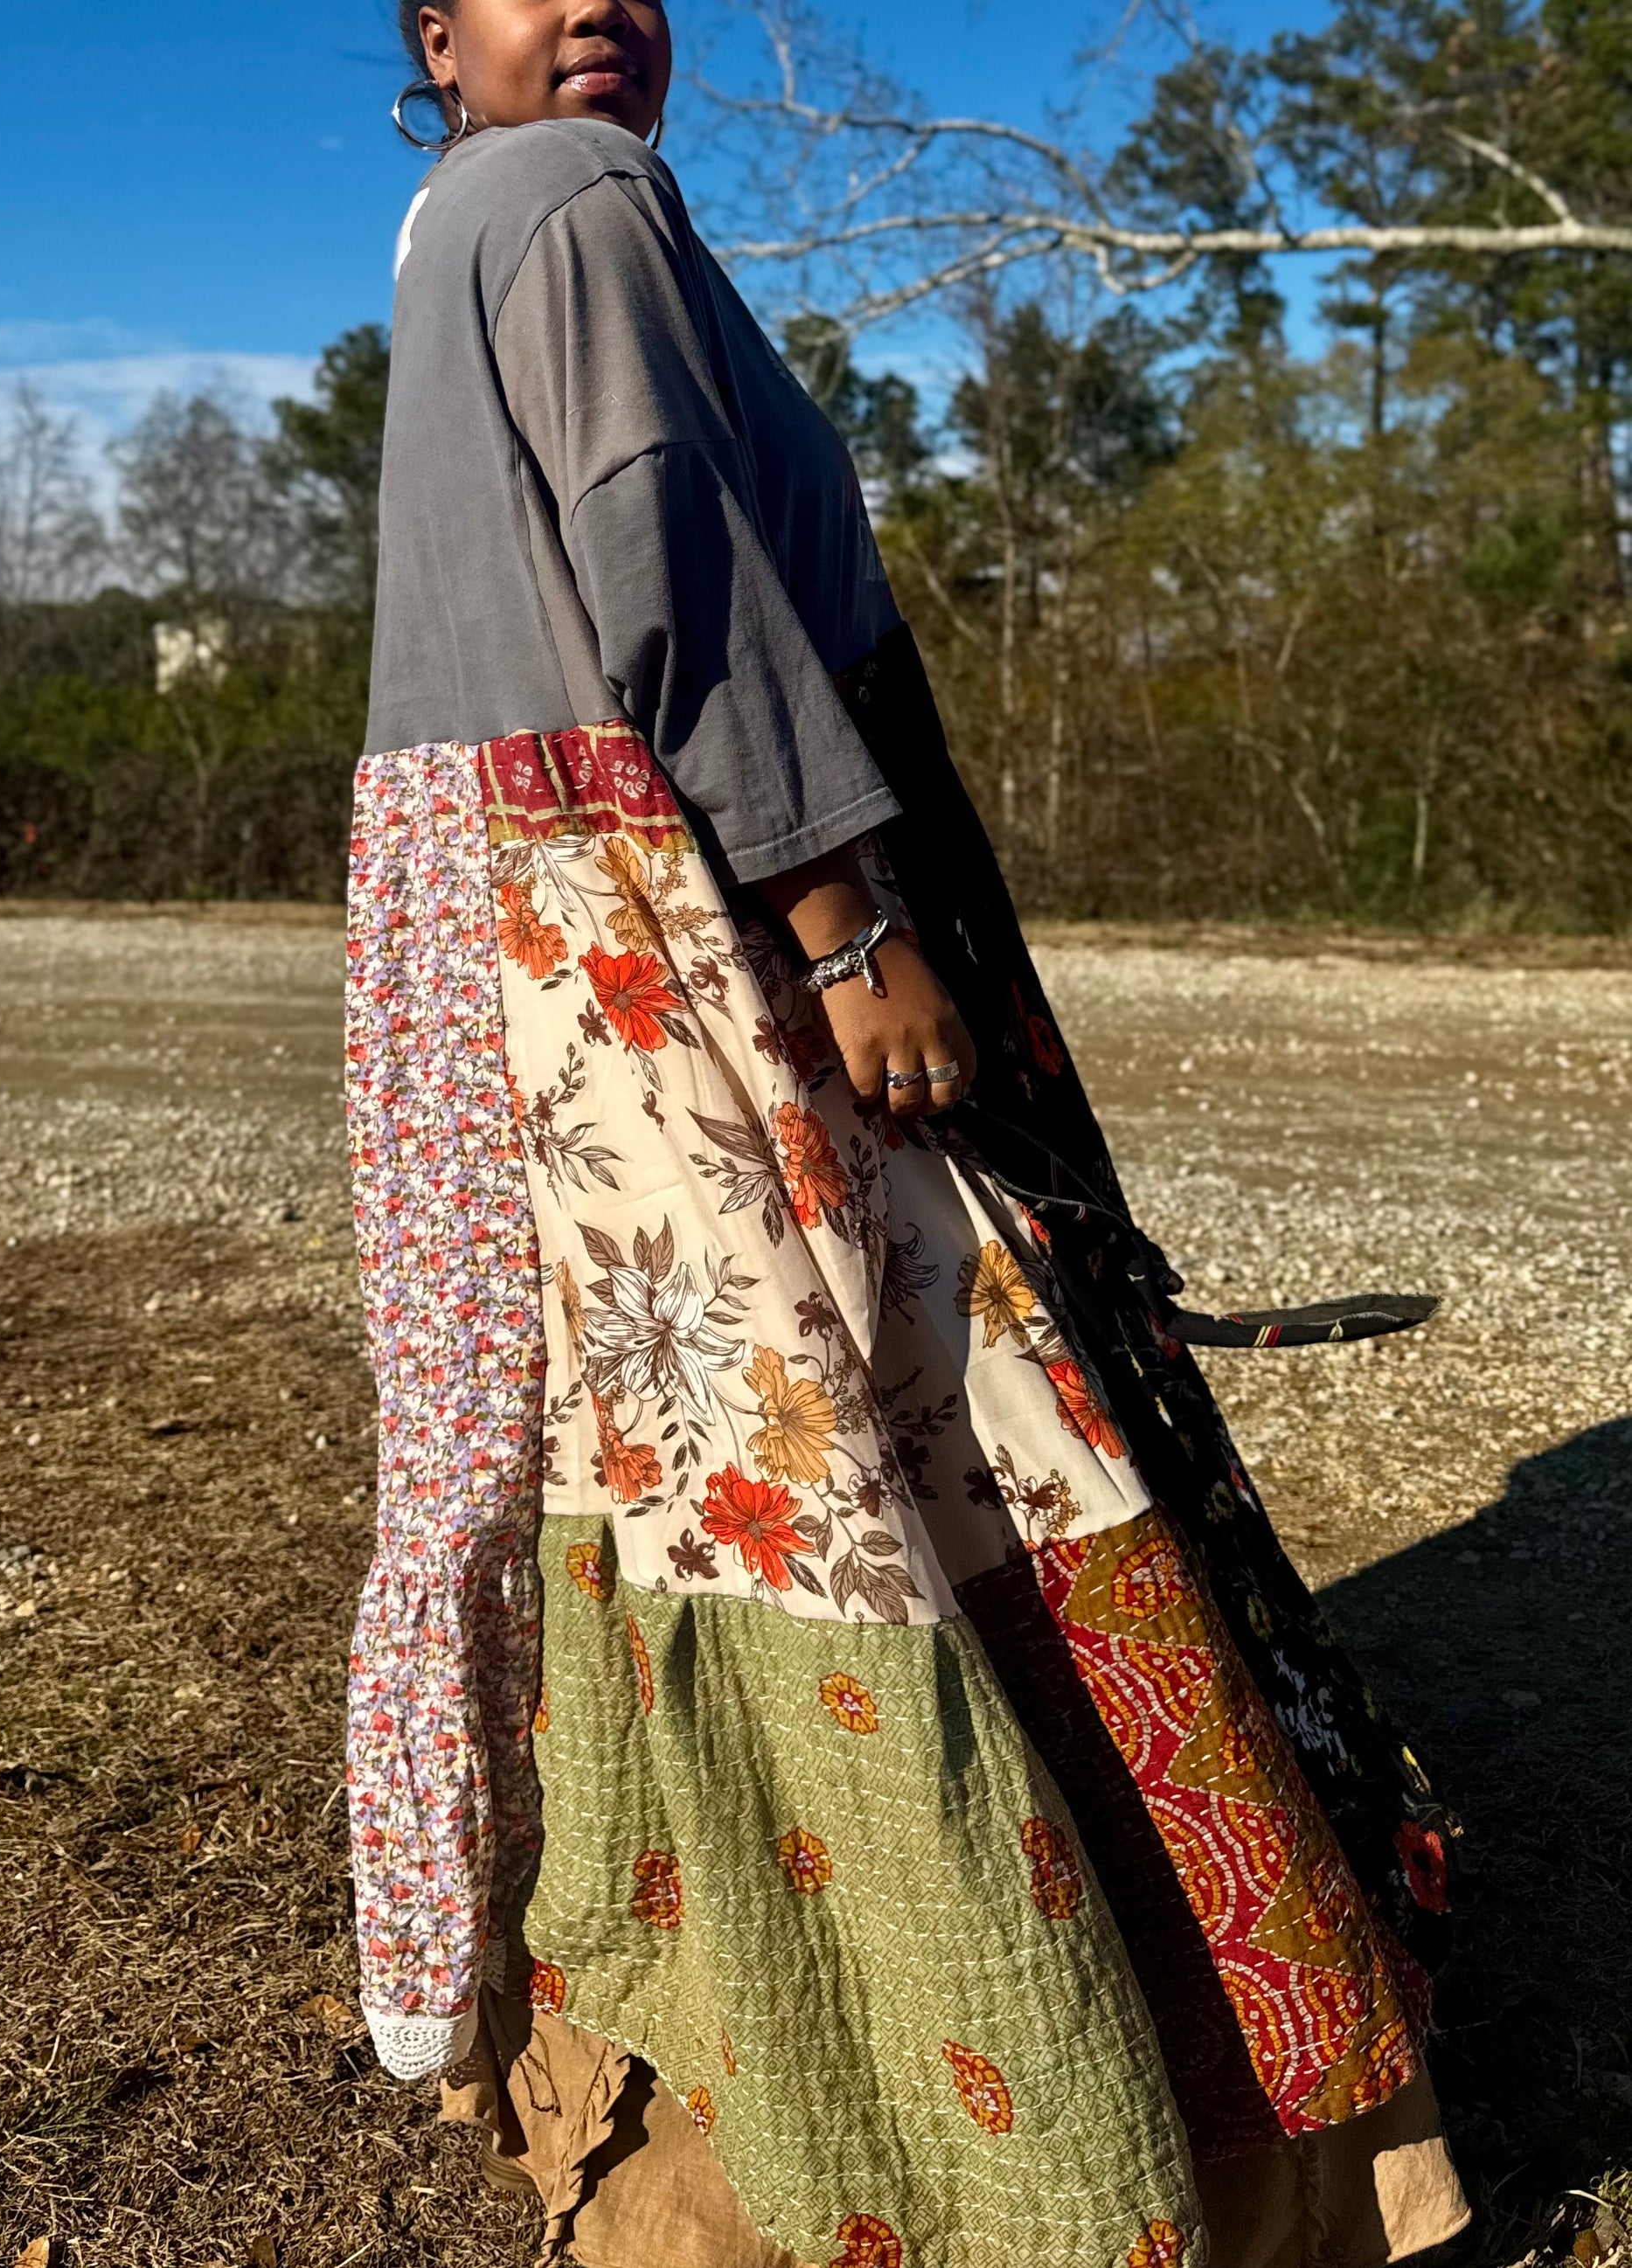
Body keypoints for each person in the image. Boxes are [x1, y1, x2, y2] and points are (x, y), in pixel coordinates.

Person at [344, 4, 1474, 2263]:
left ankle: (676, 2087)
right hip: (679, 920)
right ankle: (1083, 2132)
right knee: (916, 1434)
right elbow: (666, 565)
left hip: (535, 931)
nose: (600, 5)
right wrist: (851, 925)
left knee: (660, 1460)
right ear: (435, 33)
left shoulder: (452, 221)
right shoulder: (570, 191)